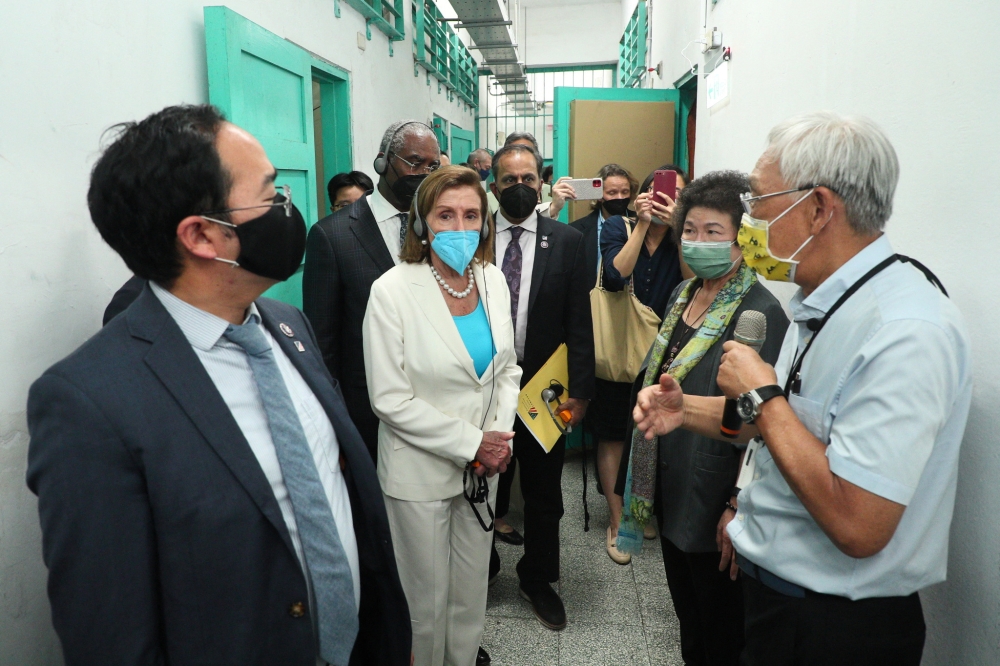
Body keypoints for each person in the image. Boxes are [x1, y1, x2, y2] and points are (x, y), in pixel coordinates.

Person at [26, 104, 410, 665]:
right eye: (272, 194)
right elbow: (112, 636)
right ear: (204, 235)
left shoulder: (287, 325)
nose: (288, 209)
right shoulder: (89, 403)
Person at [633, 112, 972, 666]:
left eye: (760, 205)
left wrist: (764, 397)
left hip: (833, 624)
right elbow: (781, 426)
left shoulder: (905, 331)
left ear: (817, 208)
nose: (750, 225)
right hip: (779, 600)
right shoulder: (823, 303)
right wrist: (684, 409)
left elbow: (859, 524)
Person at [614, 171, 789, 666]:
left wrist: (736, 502)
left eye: (714, 232)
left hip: (716, 491)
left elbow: (764, 421)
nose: (698, 242)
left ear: (741, 238)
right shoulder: (681, 296)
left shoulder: (759, 313)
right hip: (671, 477)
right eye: (689, 230)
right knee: (689, 616)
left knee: (720, 629)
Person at [364, 165, 521, 666]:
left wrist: (496, 436)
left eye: (471, 216)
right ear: (420, 223)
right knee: (423, 603)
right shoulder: (391, 291)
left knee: (470, 591)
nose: (459, 228)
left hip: (483, 471)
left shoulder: (493, 280)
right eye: (445, 215)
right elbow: (390, 399)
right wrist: (471, 443)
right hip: (420, 471)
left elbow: (506, 370)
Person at [488, 143, 595, 630]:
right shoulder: (474, 236)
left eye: (527, 178)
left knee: (544, 490)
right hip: (483, 386)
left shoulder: (568, 241)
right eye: (508, 179)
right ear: (494, 185)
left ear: (542, 183)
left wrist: (582, 391)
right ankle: (482, 566)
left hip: (544, 388)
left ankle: (538, 577)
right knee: (483, 482)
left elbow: (580, 322)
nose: (519, 187)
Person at [303, 120, 441, 459]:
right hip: (367, 413)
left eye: (432, 166)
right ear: (382, 162)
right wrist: (335, 423)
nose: (423, 172)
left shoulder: (443, 228)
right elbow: (323, 344)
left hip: (439, 406)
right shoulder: (332, 236)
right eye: (413, 162)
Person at [594, 165, 685, 564]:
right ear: (643, 194)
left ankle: (640, 509)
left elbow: (691, 285)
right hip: (620, 348)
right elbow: (616, 275)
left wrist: (681, 230)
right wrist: (643, 225)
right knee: (614, 432)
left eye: (677, 194)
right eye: (659, 190)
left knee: (650, 433)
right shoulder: (619, 226)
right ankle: (616, 521)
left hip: (667, 349)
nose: (666, 198)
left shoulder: (687, 236)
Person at [569, 163, 640, 280]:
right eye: (612, 193)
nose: (620, 197)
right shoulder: (576, 230)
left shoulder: (641, 224)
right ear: (599, 195)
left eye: (625, 192)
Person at [499, 132, 575, 219]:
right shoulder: (490, 198)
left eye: (527, 152)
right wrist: (550, 209)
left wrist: (554, 207)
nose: (521, 157)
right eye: (515, 152)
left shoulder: (550, 193)